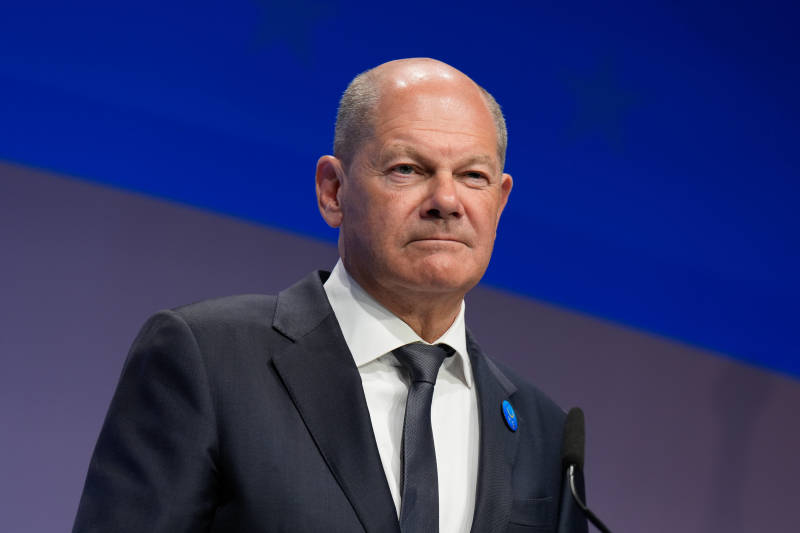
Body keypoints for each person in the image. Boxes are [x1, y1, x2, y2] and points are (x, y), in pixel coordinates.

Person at [73, 58, 588, 533]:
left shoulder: (545, 432)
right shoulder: (208, 360)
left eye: (473, 176)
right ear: (333, 190)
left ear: (499, 203)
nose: (446, 200)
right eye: (408, 169)